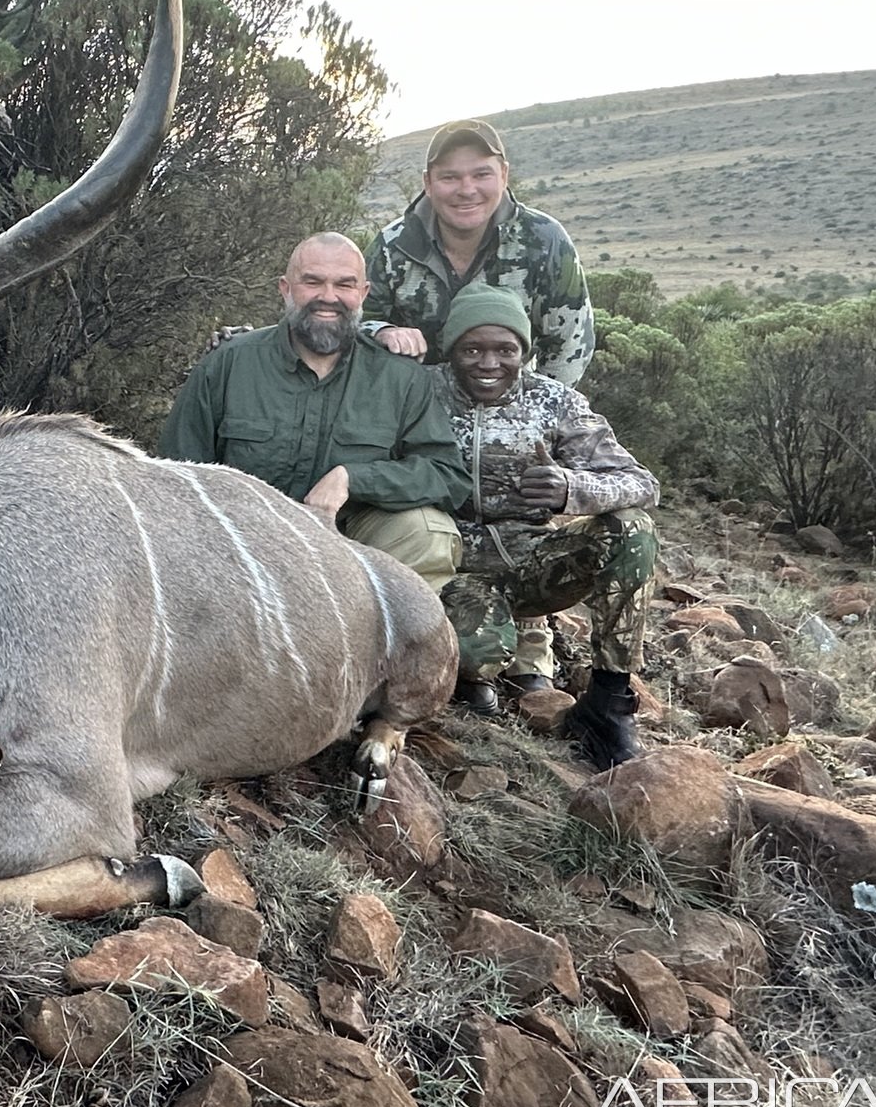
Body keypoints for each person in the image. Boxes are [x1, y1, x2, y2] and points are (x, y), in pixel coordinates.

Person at [160, 233, 472, 591]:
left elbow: (447, 475)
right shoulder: (228, 364)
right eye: (313, 282)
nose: (329, 297)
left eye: (344, 284)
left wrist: (355, 478)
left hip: (353, 542)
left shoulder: (400, 377)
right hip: (242, 545)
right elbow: (174, 476)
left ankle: (394, 643)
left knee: (425, 533)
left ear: (364, 294)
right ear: (286, 288)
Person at [433, 284, 658, 769]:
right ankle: (489, 669)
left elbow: (642, 483)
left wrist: (570, 488)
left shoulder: (554, 402)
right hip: (449, 569)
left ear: (525, 352)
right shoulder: (419, 390)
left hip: (532, 566)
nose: (489, 363)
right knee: (475, 657)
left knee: (631, 529)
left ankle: (608, 702)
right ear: (452, 350)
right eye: (472, 349)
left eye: (505, 350)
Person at [366, 119, 596, 385]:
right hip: (417, 404)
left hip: (509, 403)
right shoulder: (393, 245)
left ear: (504, 175)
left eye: (481, 175)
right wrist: (382, 332)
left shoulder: (545, 240)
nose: (466, 190)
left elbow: (570, 343)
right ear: (428, 183)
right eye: (450, 177)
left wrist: (538, 409)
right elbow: (359, 324)